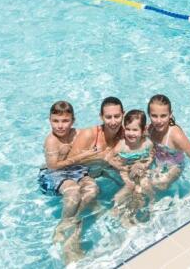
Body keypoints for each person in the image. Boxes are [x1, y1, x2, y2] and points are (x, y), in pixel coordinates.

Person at [37, 101, 99, 263]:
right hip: (53, 174)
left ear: (73, 121)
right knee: (73, 193)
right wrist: (81, 156)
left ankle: (74, 221)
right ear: (50, 120)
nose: (60, 125)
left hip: (75, 170)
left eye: (65, 121)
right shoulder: (51, 141)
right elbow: (53, 166)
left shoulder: (78, 134)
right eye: (55, 121)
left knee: (92, 189)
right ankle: (64, 227)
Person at [147, 94, 190, 206]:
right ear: (149, 114)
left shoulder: (176, 136)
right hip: (159, 161)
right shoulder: (150, 129)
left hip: (175, 165)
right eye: (154, 116)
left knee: (158, 183)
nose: (158, 121)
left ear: (170, 114)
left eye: (163, 116)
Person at [111, 110, 154, 224]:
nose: (131, 133)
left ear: (143, 130)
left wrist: (144, 165)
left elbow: (150, 157)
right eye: (128, 129)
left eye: (135, 130)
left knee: (145, 186)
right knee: (129, 186)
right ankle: (116, 207)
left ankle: (150, 204)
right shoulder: (122, 146)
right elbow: (111, 160)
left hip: (141, 169)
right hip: (125, 170)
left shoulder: (147, 144)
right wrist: (122, 168)